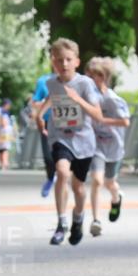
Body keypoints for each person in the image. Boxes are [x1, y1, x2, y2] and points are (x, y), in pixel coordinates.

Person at [34, 38, 103, 246]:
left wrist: (78, 100)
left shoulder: (85, 84)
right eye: (58, 60)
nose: (63, 64)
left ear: (76, 62)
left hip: (83, 140)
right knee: (62, 172)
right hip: (60, 137)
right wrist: (40, 115)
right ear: (53, 62)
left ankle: (78, 219)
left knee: (79, 187)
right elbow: (53, 98)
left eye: (68, 59)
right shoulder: (51, 83)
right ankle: (61, 223)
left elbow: (98, 114)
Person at [85, 58, 130, 237]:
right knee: (96, 180)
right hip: (96, 147)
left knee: (109, 183)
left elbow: (125, 121)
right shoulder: (88, 98)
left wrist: (103, 119)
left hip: (114, 147)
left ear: (102, 77)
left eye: (92, 76)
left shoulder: (113, 99)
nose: (88, 79)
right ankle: (96, 220)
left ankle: (116, 197)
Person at [31, 71, 56, 197]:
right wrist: (46, 104)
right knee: (48, 157)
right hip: (46, 122)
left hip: (67, 125)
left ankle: (63, 179)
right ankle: (51, 178)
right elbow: (35, 102)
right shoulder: (43, 81)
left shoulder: (77, 80)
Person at [0, 98, 16, 170]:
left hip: (3, 131)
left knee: (3, 148)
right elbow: (2, 122)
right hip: (4, 131)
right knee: (4, 148)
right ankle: (4, 163)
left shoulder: (4, 111)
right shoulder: (1, 111)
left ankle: (4, 163)